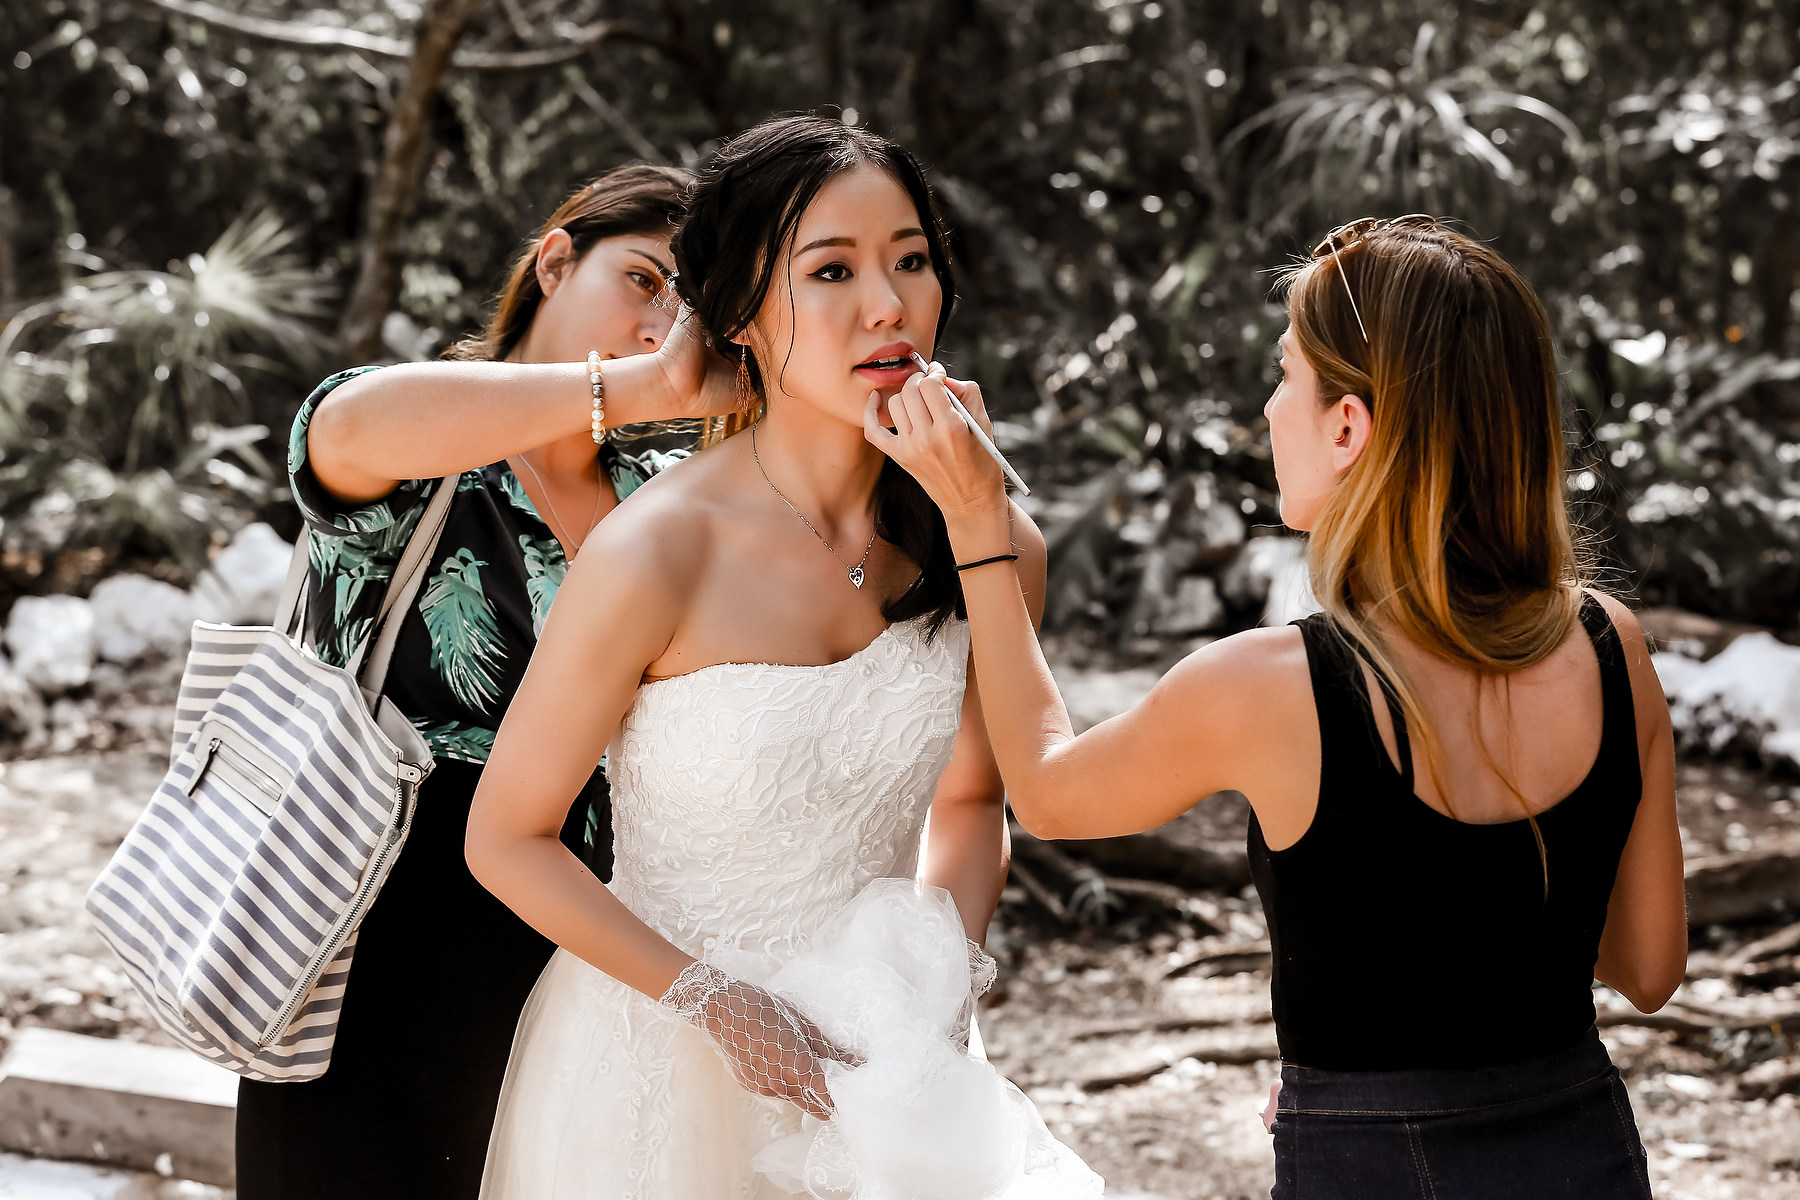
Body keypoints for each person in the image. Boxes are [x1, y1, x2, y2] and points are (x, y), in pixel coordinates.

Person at [877, 217, 1686, 1200]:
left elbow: (1045, 794)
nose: (1268, 408)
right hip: (1582, 1156)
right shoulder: (1615, 646)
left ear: (1350, 428)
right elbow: (1647, 967)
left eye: (1286, 374)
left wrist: (974, 523)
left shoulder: (1269, 683)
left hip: (1367, 1170)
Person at [465, 116, 1101, 1199]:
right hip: (657, 1068)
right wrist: (716, 1004)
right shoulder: (657, 549)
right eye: (831, 271)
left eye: (910, 260)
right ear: (741, 316)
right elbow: (507, 838)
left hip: (883, 1058)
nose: (888, 304)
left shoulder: (990, 539)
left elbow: (972, 800)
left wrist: (937, 1002)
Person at [235, 164, 739, 1200]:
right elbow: (339, 426)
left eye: (696, 310)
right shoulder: (433, 444)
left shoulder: (659, 503)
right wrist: (649, 388)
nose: (667, 324)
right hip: (368, 914)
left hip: (573, 931)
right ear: (555, 260)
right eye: (646, 281)